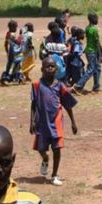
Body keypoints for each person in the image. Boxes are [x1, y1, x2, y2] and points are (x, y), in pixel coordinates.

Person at [30, 57, 78, 186]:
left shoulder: (60, 86)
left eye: (52, 66)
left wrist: (73, 122)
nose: (50, 68)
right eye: (47, 66)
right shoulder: (36, 85)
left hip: (56, 123)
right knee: (41, 149)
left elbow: (67, 105)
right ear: (42, 69)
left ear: (56, 69)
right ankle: (45, 159)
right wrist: (32, 122)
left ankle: (54, 175)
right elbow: (33, 104)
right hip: (42, 123)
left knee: (57, 149)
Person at [73, 11, 102, 94]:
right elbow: (97, 43)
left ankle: (96, 87)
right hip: (92, 52)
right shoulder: (94, 29)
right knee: (91, 69)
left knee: (97, 68)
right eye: (96, 18)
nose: (97, 19)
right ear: (93, 19)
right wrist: (100, 54)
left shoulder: (87, 28)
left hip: (88, 51)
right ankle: (78, 85)